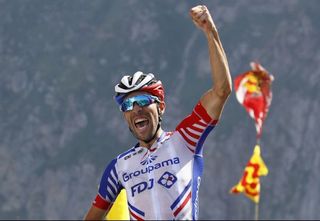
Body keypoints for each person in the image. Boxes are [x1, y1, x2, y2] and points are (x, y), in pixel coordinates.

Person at [84, 4, 232, 220]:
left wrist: (210, 31)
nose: (136, 109)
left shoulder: (186, 139)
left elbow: (221, 91)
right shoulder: (119, 166)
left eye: (143, 101)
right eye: (128, 105)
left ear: (161, 106)